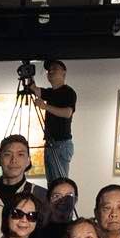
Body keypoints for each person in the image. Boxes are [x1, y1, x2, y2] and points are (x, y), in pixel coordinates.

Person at [31, 59, 77, 188]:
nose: (50, 71)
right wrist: (29, 75)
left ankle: (64, 202)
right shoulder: (50, 92)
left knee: (60, 185)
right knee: (52, 185)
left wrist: (45, 106)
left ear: (64, 73)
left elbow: (67, 113)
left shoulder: (68, 92)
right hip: (51, 143)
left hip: (60, 144)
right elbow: (35, 90)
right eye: (49, 70)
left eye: (54, 69)